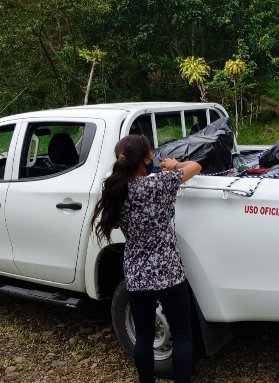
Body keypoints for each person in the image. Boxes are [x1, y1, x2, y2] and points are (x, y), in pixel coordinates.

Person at [89, 135, 201, 383]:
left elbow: (116, 222)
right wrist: (173, 165)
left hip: (137, 274)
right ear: (146, 159)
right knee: (182, 334)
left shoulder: (117, 189)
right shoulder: (161, 183)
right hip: (169, 272)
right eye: (150, 153)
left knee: (143, 336)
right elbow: (196, 167)